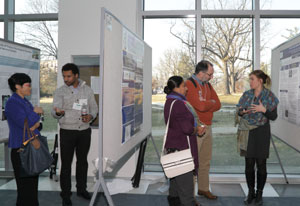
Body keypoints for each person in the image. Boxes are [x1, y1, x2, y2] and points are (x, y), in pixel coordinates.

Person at [52, 63, 98, 206]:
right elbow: (54, 111)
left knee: (82, 162)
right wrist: (58, 112)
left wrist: (90, 116)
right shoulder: (60, 91)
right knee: (65, 165)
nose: (66, 79)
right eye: (64, 76)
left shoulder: (87, 90)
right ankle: (65, 195)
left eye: (69, 76)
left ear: (76, 75)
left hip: (84, 131)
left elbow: (94, 108)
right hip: (67, 131)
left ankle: (81, 189)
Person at [236, 70, 279, 205]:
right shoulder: (247, 94)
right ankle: (251, 192)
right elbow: (239, 110)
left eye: (252, 79)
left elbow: (273, 116)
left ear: (260, 80)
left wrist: (263, 110)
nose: (250, 82)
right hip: (247, 131)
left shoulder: (269, 96)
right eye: (250, 79)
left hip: (262, 132)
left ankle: (259, 193)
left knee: (261, 164)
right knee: (249, 164)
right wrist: (242, 111)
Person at [163, 76, 205, 206]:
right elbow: (186, 129)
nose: (186, 89)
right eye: (184, 86)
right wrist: (197, 129)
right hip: (182, 151)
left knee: (175, 190)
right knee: (187, 194)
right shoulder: (179, 104)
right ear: (176, 88)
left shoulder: (169, 101)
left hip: (173, 150)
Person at [5, 73, 44, 206]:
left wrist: (35, 122)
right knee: (25, 189)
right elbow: (25, 124)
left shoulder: (24, 101)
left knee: (32, 188)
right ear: (18, 87)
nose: (30, 88)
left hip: (30, 148)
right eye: (27, 85)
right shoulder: (12, 103)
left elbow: (34, 125)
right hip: (21, 150)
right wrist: (36, 113)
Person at [185, 60, 221, 200]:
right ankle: (189, 196)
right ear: (200, 73)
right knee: (193, 162)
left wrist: (209, 104)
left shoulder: (208, 85)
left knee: (205, 161)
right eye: (209, 74)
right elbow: (199, 106)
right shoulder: (189, 84)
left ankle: (203, 189)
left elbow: (218, 104)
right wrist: (209, 103)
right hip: (196, 128)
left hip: (208, 126)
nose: (211, 77)